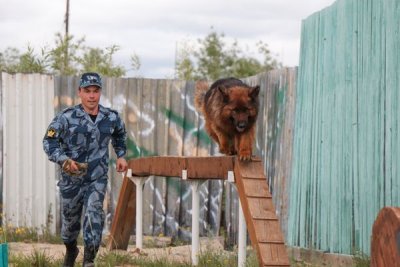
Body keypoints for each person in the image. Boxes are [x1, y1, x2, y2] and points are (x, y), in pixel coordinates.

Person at [43, 72, 128, 267]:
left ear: (100, 93)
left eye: (95, 91)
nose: (92, 96)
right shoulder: (66, 117)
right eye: (87, 91)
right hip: (71, 181)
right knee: (69, 228)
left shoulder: (111, 117)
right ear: (79, 92)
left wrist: (121, 155)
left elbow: (120, 134)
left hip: (96, 179)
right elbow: (49, 141)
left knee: (93, 214)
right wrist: (63, 159)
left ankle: (89, 260)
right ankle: (71, 249)